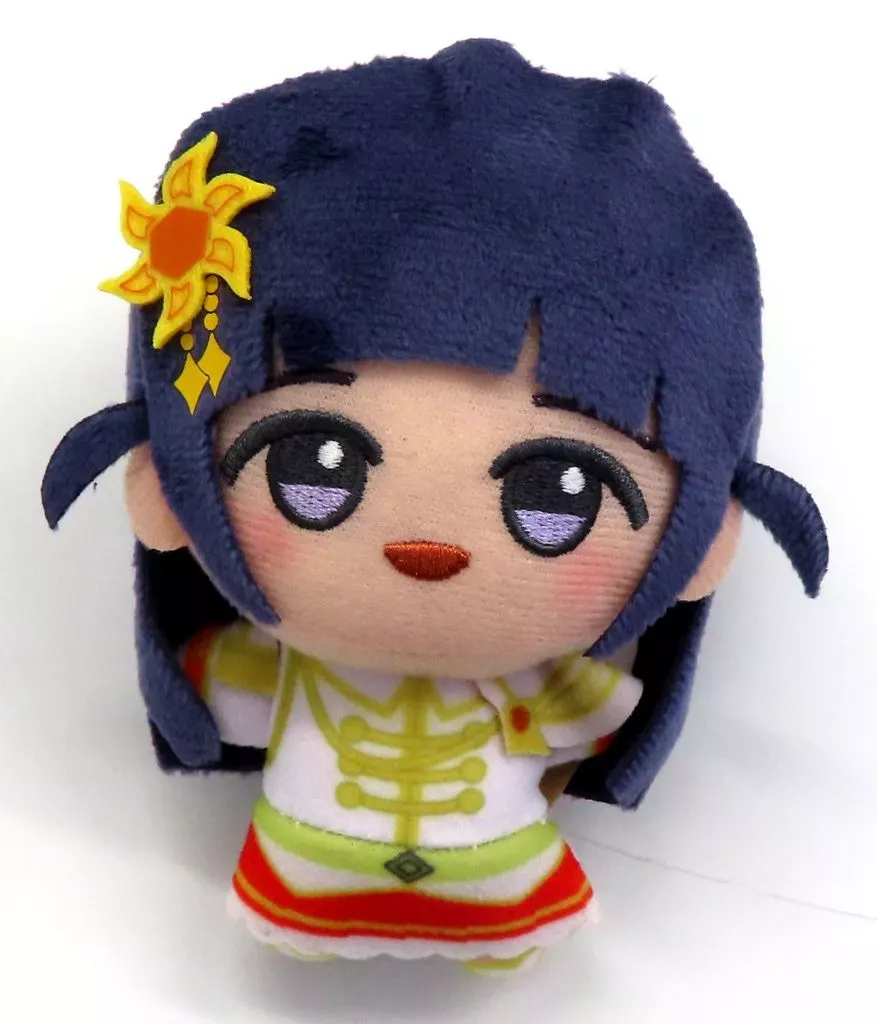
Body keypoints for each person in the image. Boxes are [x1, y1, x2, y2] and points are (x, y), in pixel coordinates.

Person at [42, 39, 827, 972]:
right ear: (166, 490)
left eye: (555, 490)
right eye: (314, 466)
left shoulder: (511, 682)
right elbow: (230, 691)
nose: (429, 546)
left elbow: (589, 719)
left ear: (702, 540)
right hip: (296, 872)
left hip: (503, 875)